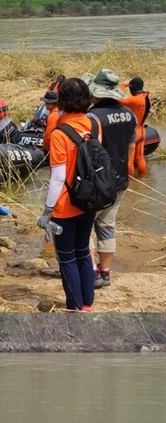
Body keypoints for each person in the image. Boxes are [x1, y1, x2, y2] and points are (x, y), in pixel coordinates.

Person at [38, 77, 97, 311]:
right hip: (88, 200)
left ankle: (74, 306)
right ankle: (87, 304)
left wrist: (47, 210)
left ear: (62, 100)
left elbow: (58, 177)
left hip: (64, 204)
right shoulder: (94, 124)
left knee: (67, 257)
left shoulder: (60, 132)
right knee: (83, 251)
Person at [86, 69, 135, 290]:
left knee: (84, 225)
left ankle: (92, 271)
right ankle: (105, 272)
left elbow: (92, 151)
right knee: (107, 225)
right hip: (120, 179)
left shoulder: (93, 117)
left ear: (95, 93)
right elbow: (132, 146)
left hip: (98, 181)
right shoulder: (129, 114)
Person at [120, 76, 150, 178]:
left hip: (134, 132)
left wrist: (123, 85)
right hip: (142, 131)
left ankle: (130, 184)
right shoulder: (146, 96)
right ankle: (142, 181)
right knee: (140, 158)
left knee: (129, 160)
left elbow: (117, 98)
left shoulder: (134, 100)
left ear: (132, 87)